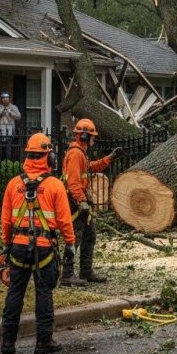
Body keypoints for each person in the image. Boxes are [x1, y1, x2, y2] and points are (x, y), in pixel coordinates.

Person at [0, 133, 75, 354]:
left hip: (18, 246)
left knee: (15, 292)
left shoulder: (14, 184)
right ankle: (43, 341)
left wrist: (6, 245)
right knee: (44, 292)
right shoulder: (54, 185)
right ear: (48, 157)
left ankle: (7, 343)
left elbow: (5, 221)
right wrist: (70, 244)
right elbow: (64, 220)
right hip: (44, 247)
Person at [60, 119, 121, 285]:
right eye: (92, 136)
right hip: (75, 202)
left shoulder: (81, 152)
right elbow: (73, 183)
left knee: (89, 236)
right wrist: (81, 202)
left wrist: (109, 158)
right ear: (85, 136)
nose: (94, 139)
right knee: (74, 238)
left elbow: (90, 168)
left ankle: (86, 271)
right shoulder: (75, 154)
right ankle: (67, 274)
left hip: (80, 201)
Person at [0, 91, 21, 163]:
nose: (5, 99)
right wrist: (1, 111)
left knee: (9, 151)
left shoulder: (13, 107)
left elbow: (19, 116)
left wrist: (10, 112)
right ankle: (0, 166)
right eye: (3, 97)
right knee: (0, 151)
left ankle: (8, 166)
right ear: (1, 99)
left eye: (6, 97)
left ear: (9, 98)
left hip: (10, 132)